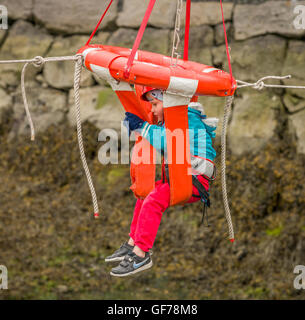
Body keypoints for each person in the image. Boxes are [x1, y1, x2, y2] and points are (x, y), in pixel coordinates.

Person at [106, 88, 218, 277]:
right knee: (146, 194)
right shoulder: (177, 118)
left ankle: (141, 254)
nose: (154, 110)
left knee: (154, 201)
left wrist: (142, 126)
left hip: (194, 183)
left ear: (171, 102)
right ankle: (133, 242)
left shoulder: (188, 119)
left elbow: (170, 141)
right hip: (180, 178)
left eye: (156, 104)